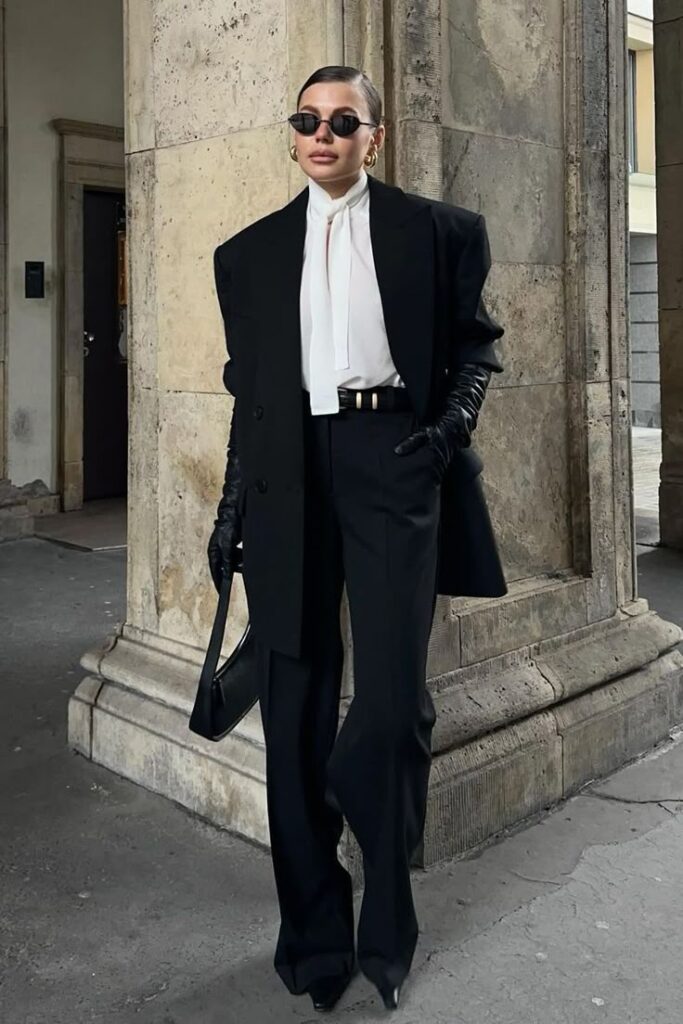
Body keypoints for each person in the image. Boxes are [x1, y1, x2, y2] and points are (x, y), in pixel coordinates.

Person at [207, 65, 505, 1013]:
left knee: (386, 704)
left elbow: (474, 348)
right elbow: (247, 399)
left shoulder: (439, 232)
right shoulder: (244, 256)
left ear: (375, 135)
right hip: (287, 470)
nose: (322, 133)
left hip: (394, 461)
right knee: (292, 706)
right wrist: (229, 511)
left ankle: (389, 921)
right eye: (307, 119)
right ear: (291, 135)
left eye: (343, 120)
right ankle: (315, 939)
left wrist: (443, 437)